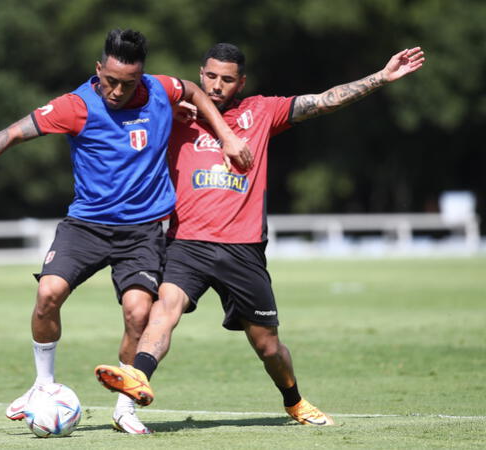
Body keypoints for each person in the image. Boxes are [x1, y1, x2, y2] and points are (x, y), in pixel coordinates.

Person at [95, 43, 425, 427]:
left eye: (228, 79)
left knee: (268, 347)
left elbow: (322, 102)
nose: (218, 86)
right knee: (163, 311)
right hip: (187, 244)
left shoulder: (261, 112)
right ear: (201, 75)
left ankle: (294, 400)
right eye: (212, 77)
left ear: (242, 82)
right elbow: (119, 99)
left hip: (243, 251)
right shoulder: (175, 116)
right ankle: (139, 379)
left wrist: (381, 77)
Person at [0, 30, 251, 435]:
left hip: (143, 232)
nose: (118, 91)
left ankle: (125, 408)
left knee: (139, 313)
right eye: (111, 81)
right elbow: (13, 133)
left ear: (142, 75)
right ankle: (42, 385)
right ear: (98, 69)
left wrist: (227, 136)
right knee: (48, 294)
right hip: (86, 225)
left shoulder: (159, 90)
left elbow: (191, 90)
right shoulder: (75, 106)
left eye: (129, 82)